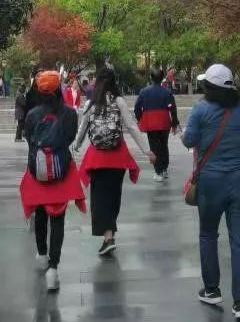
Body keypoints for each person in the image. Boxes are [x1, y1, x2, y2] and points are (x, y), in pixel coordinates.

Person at [182, 64, 240, 319]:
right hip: (239, 181)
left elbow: (188, 141)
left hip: (210, 183)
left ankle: (211, 290)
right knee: (239, 242)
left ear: (208, 87)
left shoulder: (200, 110)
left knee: (208, 235)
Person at [74, 68, 156, 256]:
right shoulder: (119, 101)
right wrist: (147, 150)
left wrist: (76, 145)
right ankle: (109, 235)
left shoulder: (91, 103)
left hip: (97, 158)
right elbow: (132, 127)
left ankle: (108, 237)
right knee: (113, 197)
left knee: (99, 199)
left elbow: (83, 127)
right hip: (117, 157)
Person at [19, 70, 86, 291]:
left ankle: (41, 252)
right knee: (58, 219)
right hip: (61, 170)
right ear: (59, 88)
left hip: (37, 171)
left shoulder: (31, 115)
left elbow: (30, 140)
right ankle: (54, 267)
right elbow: (69, 138)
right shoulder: (69, 114)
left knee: (40, 213)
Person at [134, 68, 180, 182]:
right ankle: (164, 168)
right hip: (164, 121)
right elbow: (172, 108)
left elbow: (137, 108)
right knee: (164, 145)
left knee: (154, 147)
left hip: (150, 122)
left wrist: (140, 118)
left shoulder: (144, 92)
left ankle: (158, 171)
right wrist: (174, 122)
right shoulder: (167, 92)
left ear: (151, 78)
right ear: (162, 78)